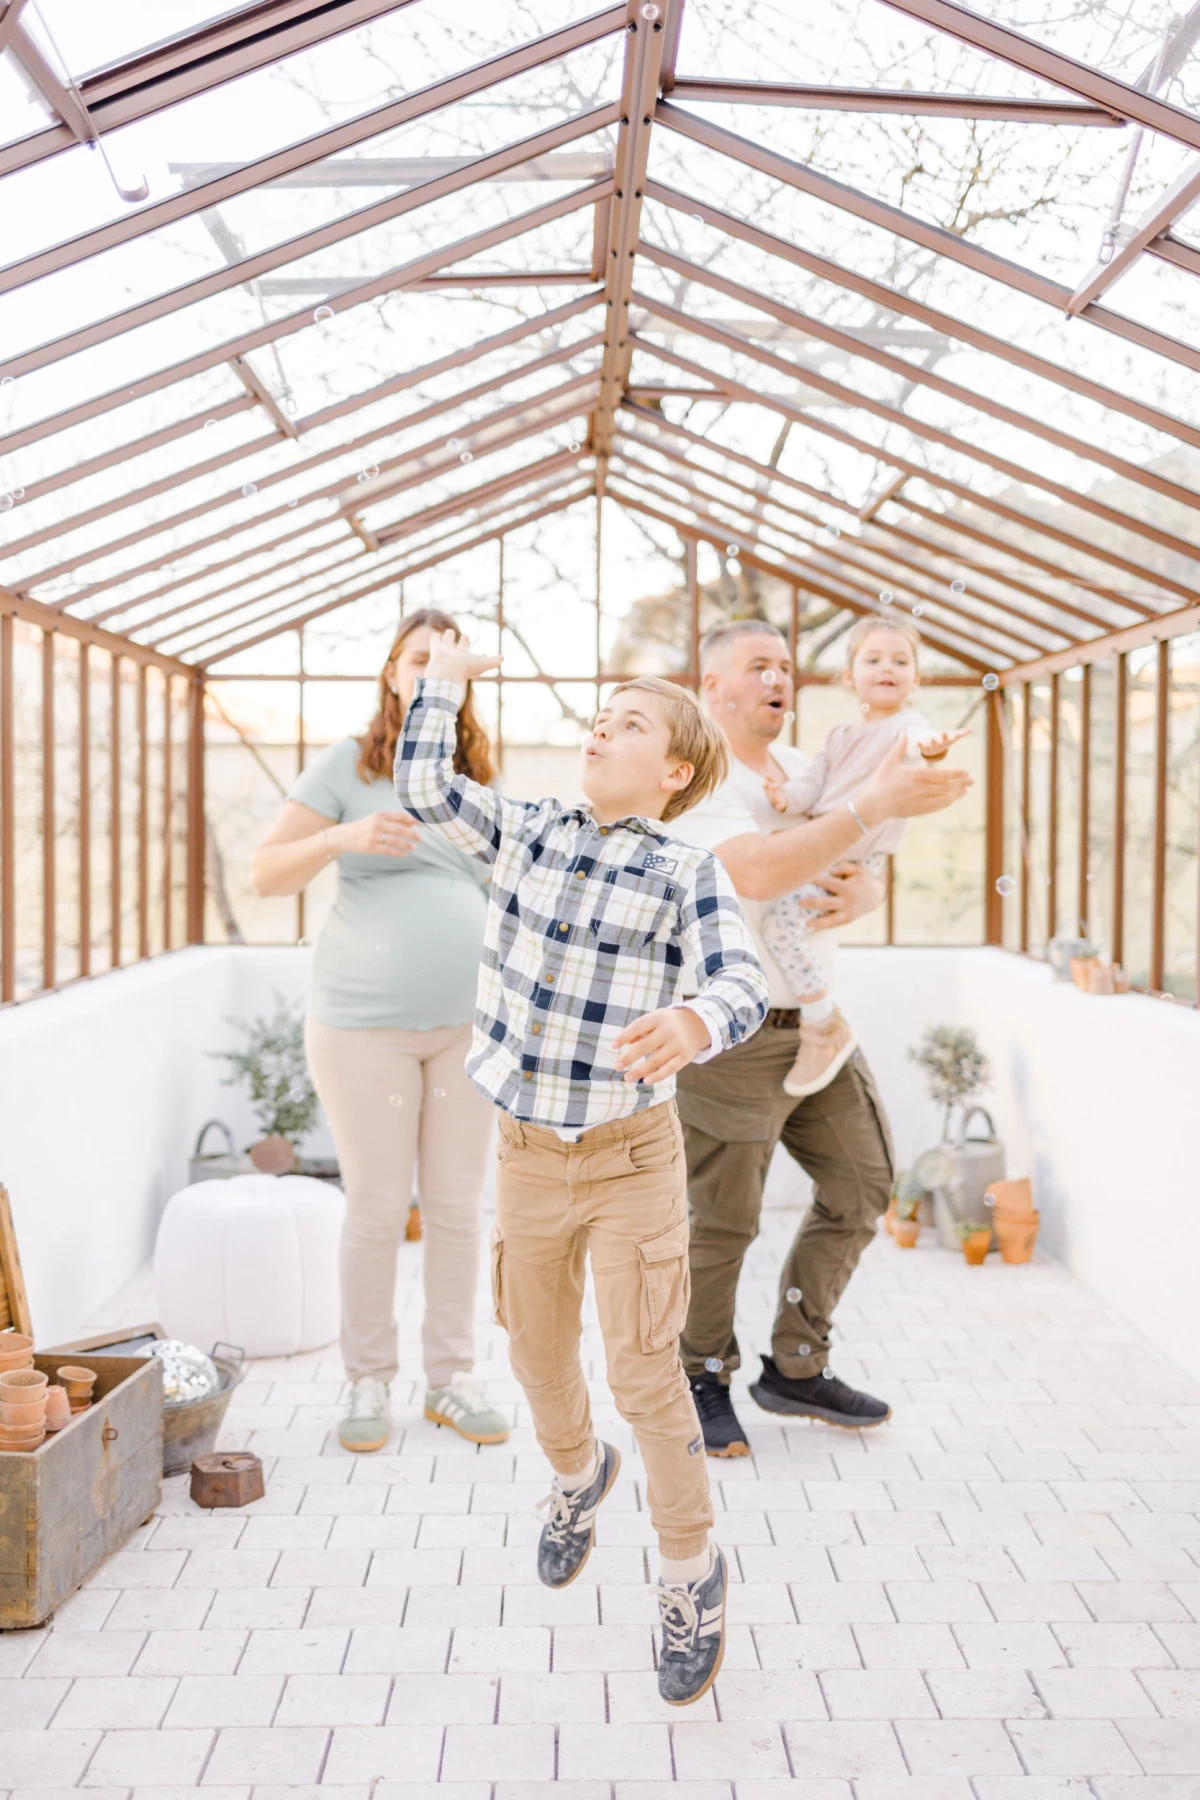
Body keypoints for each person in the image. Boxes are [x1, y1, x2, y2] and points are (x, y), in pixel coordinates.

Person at [394, 629, 769, 1707]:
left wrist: (696, 1019)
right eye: (600, 717)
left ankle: (691, 1572)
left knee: (647, 1375)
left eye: (632, 722)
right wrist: (444, 682)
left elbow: (738, 975)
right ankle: (575, 1475)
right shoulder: (529, 831)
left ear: (678, 770)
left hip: (630, 1158)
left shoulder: (687, 870)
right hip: (525, 1152)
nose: (603, 729)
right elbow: (425, 784)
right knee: (536, 1355)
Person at [668, 618, 972, 1455]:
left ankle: (797, 1365)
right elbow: (758, 869)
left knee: (864, 1183)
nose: (779, 680)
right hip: (727, 1034)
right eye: (757, 666)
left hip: (815, 1025)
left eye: (787, 668)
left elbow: (856, 843)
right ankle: (700, 1375)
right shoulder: (696, 779)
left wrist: (871, 884)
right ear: (714, 686)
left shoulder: (811, 767)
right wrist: (867, 811)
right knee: (721, 1222)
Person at [251, 608, 509, 1456]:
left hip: (467, 1027)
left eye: (447, 659)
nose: (431, 669)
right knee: (372, 1206)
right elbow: (264, 873)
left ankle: (452, 1380)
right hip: (365, 1027)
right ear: (392, 673)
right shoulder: (347, 765)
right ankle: (367, 1382)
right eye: (417, 657)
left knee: (458, 1210)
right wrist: (343, 836)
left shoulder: (473, 774)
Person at [761, 617, 968, 1099]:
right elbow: (812, 786)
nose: (887, 668)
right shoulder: (837, 737)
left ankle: (820, 1026)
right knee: (781, 927)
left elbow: (920, 743)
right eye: (872, 660)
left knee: (779, 927)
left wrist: (933, 750)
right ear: (849, 676)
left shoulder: (908, 727)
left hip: (854, 862)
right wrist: (784, 797)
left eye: (901, 661)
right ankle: (817, 1021)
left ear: (916, 679)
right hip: (822, 852)